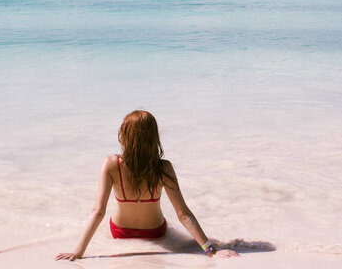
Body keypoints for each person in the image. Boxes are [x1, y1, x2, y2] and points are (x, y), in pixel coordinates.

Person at [55, 110, 222, 261]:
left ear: (124, 136)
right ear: (154, 137)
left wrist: (78, 252)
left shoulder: (111, 164)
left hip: (119, 232)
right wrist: (210, 250)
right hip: (156, 232)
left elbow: (98, 211)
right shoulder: (163, 168)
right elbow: (183, 214)